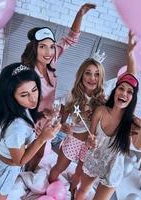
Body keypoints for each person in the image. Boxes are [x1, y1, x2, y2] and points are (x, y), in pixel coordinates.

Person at [75, 32, 141, 200]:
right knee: (82, 191)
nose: (124, 93)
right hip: (93, 160)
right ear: (115, 91)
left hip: (112, 169)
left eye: (130, 92)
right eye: (121, 89)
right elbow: (90, 137)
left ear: (133, 99)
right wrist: (90, 141)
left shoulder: (132, 122)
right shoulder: (100, 111)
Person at [21, 3, 96, 171]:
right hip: (29, 119)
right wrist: (41, 113)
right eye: (42, 47)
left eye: (51, 46)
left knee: (39, 154)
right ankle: (19, 173)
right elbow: (21, 100)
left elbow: (71, 38)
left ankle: (28, 175)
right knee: (24, 152)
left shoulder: (51, 60)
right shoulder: (27, 73)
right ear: (35, 48)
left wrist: (80, 14)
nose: (48, 51)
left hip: (46, 119)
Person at [0, 63, 61, 200]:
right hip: (1, 172)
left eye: (35, 89)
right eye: (24, 94)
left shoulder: (15, 109)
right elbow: (19, 161)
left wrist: (41, 115)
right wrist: (42, 139)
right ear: (11, 96)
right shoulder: (16, 127)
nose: (33, 98)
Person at [48, 56, 106, 195]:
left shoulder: (103, 100)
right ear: (81, 75)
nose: (92, 78)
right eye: (88, 73)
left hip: (89, 145)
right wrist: (62, 124)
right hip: (74, 140)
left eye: (97, 74)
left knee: (79, 174)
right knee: (58, 168)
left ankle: (72, 192)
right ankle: (48, 189)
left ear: (101, 77)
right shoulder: (72, 95)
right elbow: (62, 113)